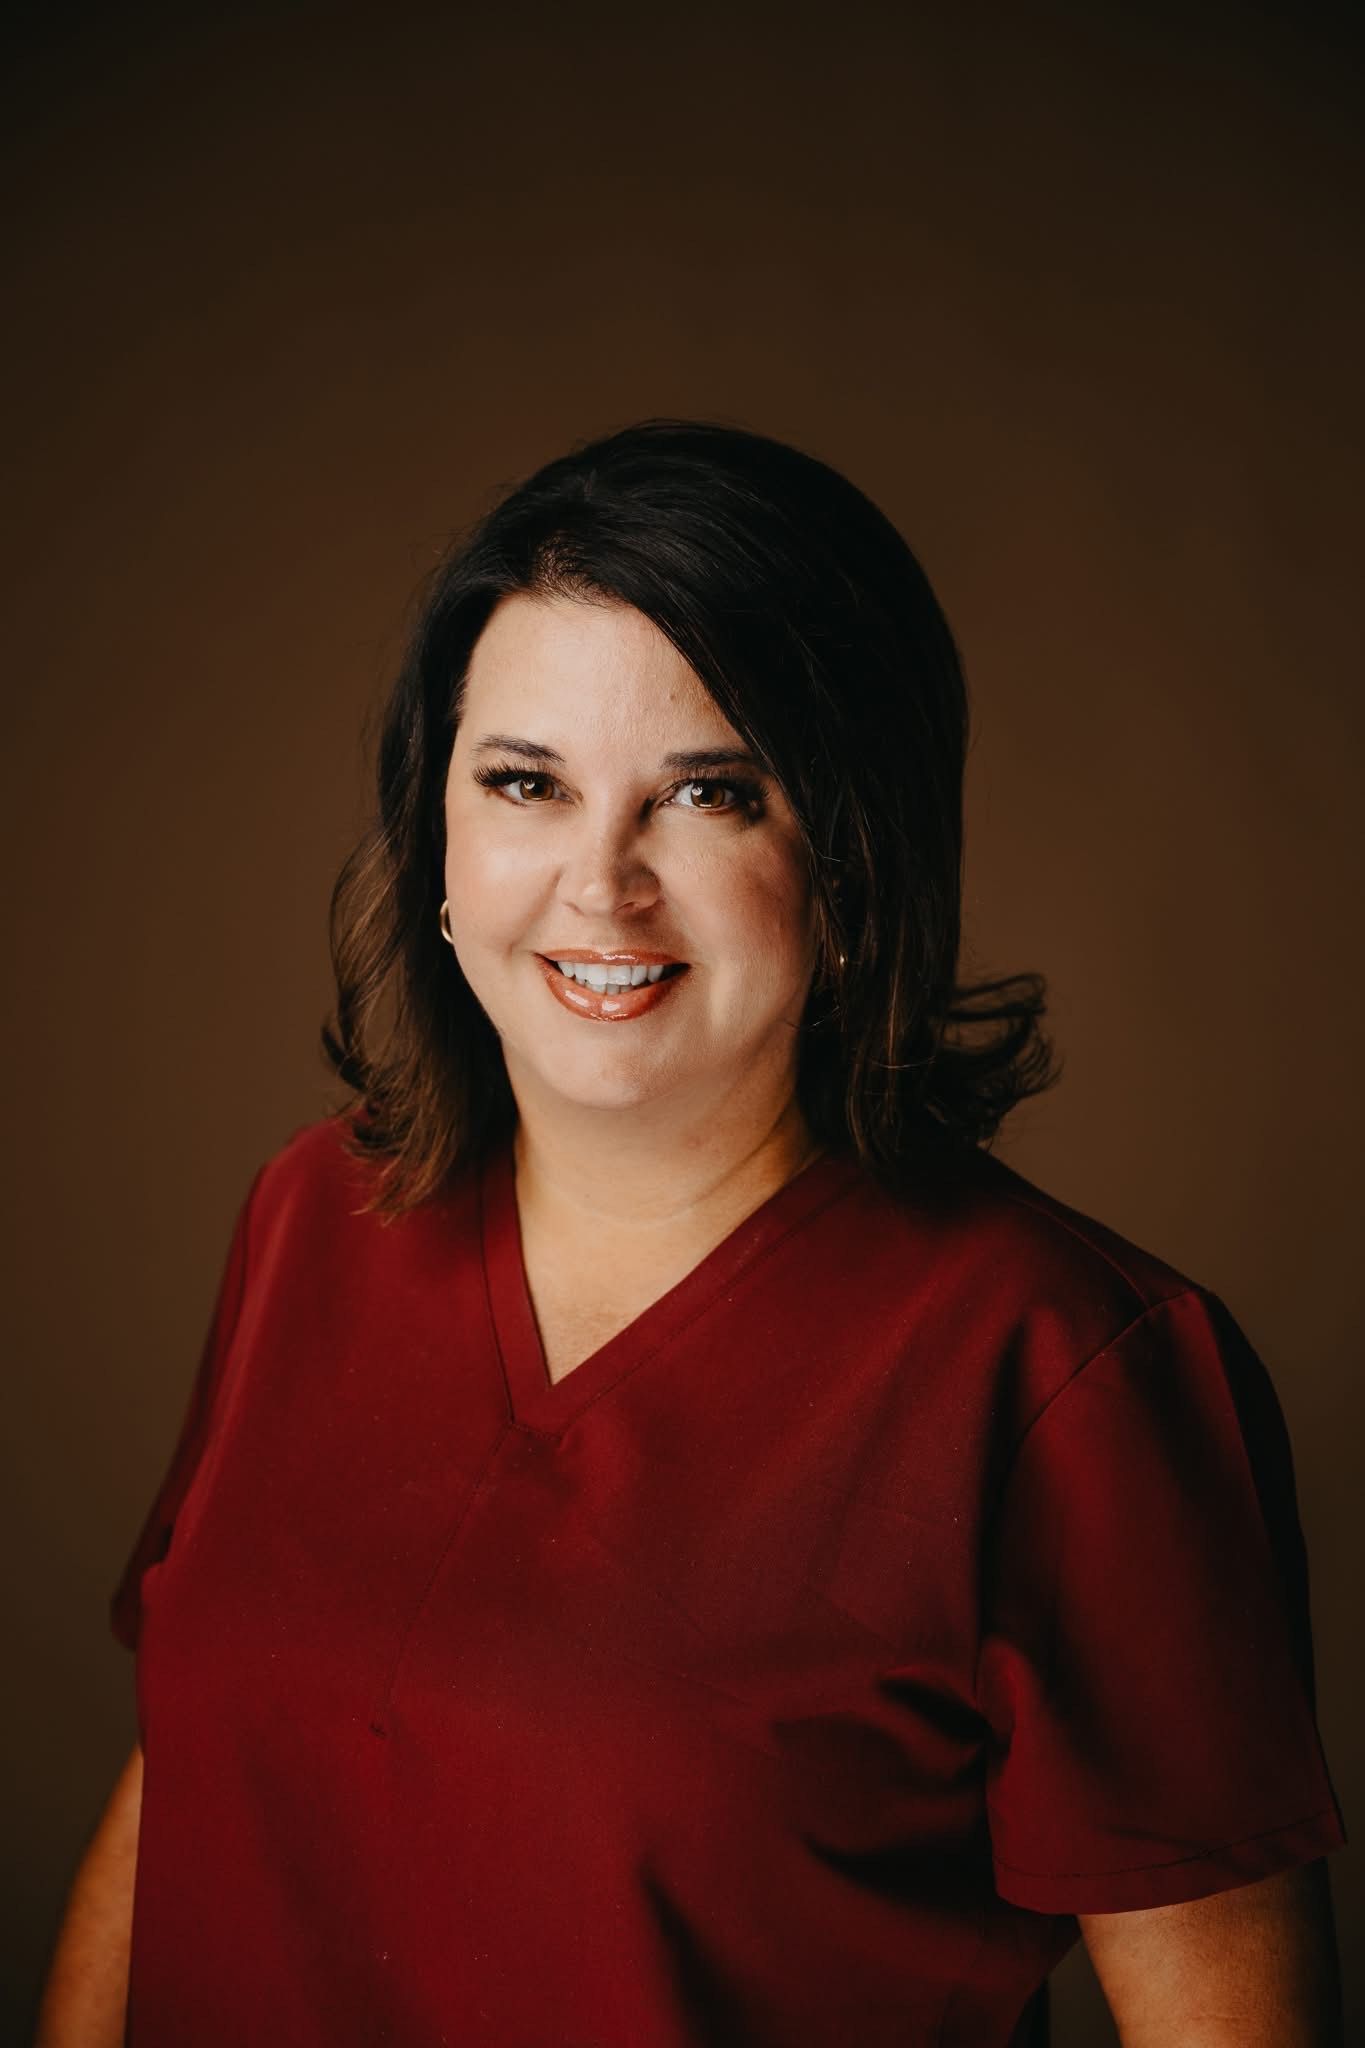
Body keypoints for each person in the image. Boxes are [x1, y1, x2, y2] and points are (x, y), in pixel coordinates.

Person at [39, 418, 1347, 2047]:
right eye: (525, 782)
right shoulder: (319, 1217)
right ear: (436, 831)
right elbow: (187, 1788)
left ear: (853, 859)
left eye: (709, 794)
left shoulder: (1070, 1375)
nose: (601, 885)